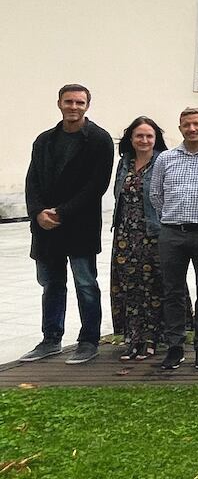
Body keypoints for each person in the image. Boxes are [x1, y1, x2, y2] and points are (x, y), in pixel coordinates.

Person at [21, 84, 114, 365]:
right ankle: (51, 339)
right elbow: (32, 180)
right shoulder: (44, 140)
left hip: (79, 225)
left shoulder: (99, 140)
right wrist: (38, 213)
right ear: (59, 104)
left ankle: (88, 341)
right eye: (69, 102)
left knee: (85, 284)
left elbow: (96, 185)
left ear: (88, 105)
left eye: (79, 102)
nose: (74, 107)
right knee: (51, 284)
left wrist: (61, 212)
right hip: (45, 228)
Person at [150, 107, 198, 371]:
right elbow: (155, 194)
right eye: (186, 125)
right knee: (173, 291)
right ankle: (175, 346)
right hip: (171, 232)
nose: (192, 129)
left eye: (197, 124)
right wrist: (170, 218)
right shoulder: (166, 159)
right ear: (180, 127)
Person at [110, 116, 168, 361]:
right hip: (125, 233)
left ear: (156, 139)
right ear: (130, 139)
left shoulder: (163, 161)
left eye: (149, 136)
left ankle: (152, 339)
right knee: (129, 286)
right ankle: (133, 339)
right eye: (139, 136)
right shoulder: (124, 163)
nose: (144, 140)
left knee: (153, 286)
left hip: (152, 232)